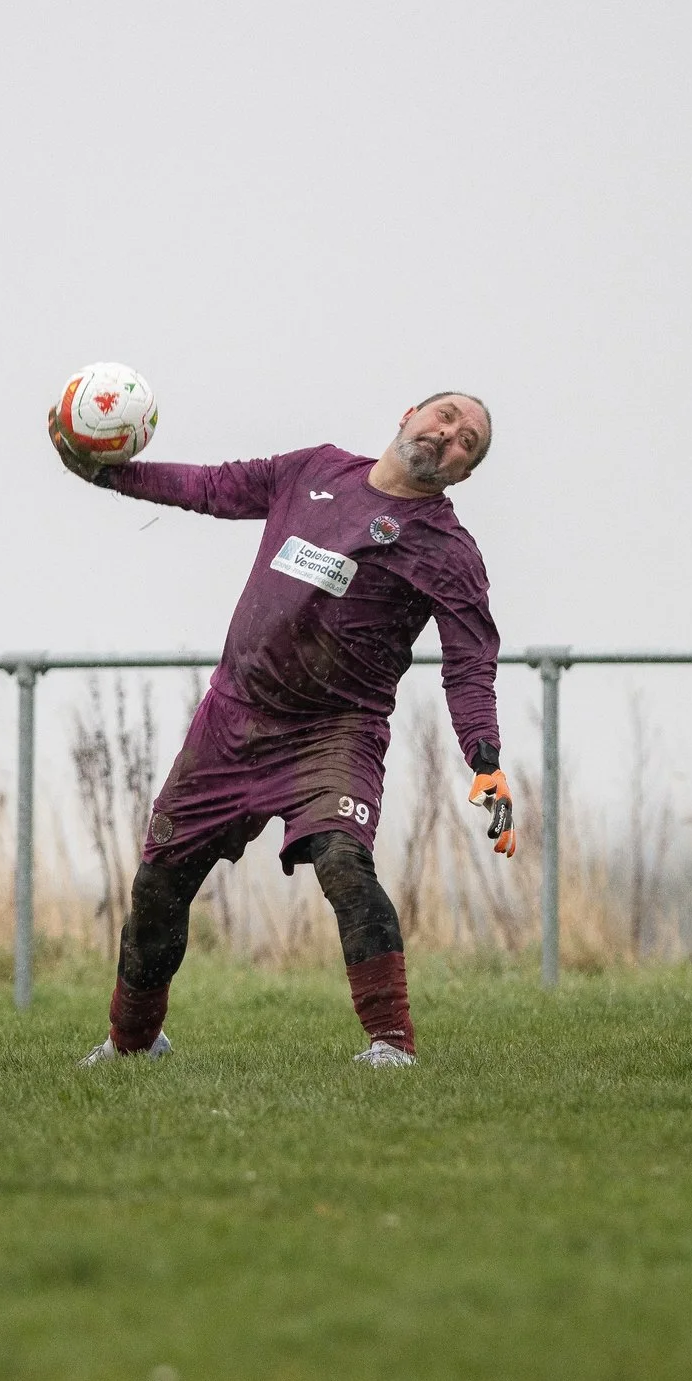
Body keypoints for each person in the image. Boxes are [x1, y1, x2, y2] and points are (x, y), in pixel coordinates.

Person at [52, 391, 515, 1068]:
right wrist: (104, 472)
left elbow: (470, 663)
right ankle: (131, 1045)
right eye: (444, 417)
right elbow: (209, 487)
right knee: (158, 885)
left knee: (343, 864)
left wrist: (485, 756)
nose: (449, 435)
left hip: (333, 735)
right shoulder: (312, 471)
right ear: (407, 414)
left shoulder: (447, 551)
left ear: (462, 475)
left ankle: (392, 1047)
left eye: (466, 441)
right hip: (231, 722)